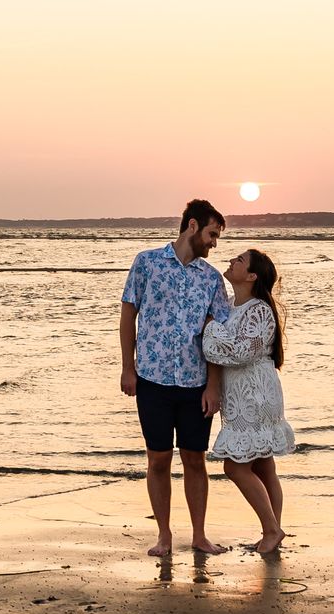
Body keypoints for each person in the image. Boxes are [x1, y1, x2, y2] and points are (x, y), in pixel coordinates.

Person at [119, 199, 232, 558]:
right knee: (158, 459)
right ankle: (164, 536)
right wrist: (127, 367)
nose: (215, 243)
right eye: (213, 234)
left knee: (196, 460)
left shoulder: (212, 279)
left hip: (196, 384)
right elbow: (127, 315)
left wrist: (214, 386)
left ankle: (199, 536)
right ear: (193, 226)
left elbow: (218, 337)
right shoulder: (147, 263)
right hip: (151, 380)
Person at [203, 248, 294, 556]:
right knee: (264, 466)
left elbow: (241, 352)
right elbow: (224, 350)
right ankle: (272, 533)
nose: (232, 261)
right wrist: (216, 335)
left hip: (255, 395)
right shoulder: (231, 306)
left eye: (239, 260)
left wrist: (210, 329)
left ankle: (272, 529)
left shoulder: (259, 310)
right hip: (242, 394)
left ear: (252, 276)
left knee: (235, 466)